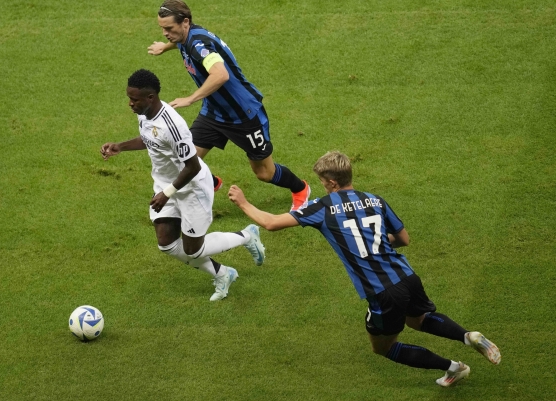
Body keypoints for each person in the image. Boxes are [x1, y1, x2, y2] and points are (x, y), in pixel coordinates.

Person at [227, 151, 501, 386]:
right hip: (407, 276)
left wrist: (243, 202)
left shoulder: (322, 208)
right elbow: (403, 239)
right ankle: (468, 336)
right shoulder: (375, 199)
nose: (322, 187)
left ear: (332, 182)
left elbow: (272, 223)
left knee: (383, 347)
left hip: (382, 291)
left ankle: (454, 368)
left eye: (323, 182)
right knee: (419, 319)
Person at [101, 69, 266, 301]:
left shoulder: (173, 125)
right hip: (166, 186)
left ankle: (246, 236)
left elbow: (193, 166)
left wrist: (167, 193)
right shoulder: (144, 113)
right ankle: (223, 274)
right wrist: (121, 146)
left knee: (193, 250)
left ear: (150, 97)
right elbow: (150, 139)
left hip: (191, 189)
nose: (130, 104)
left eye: (134, 99)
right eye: (129, 98)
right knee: (166, 244)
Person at [147, 0, 311, 212]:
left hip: (244, 114)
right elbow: (179, 42)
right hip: (214, 113)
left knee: (264, 173)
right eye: (162, 28)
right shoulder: (186, 35)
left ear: (185, 22)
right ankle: (210, 182)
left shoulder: (199, 45)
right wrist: (165, 46)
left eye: (169, 28)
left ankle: (300, 189)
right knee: (186, 158)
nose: (165, 33)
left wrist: (190, 99)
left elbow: (220, 74)